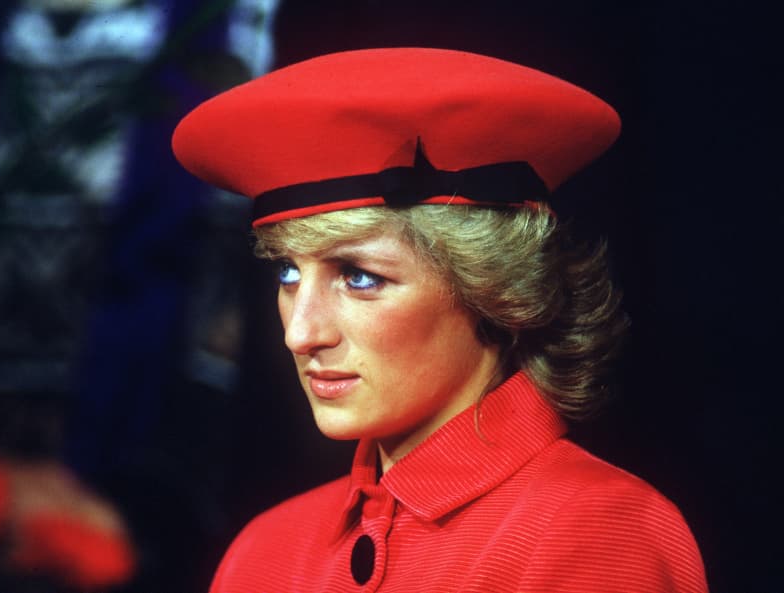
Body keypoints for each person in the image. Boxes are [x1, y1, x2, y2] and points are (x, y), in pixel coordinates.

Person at [172, 48, 708, 592]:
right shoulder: (265, 550)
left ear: (495, 290)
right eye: (288, 274)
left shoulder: (597, 534)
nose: (301, 332)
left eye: (360, 276)